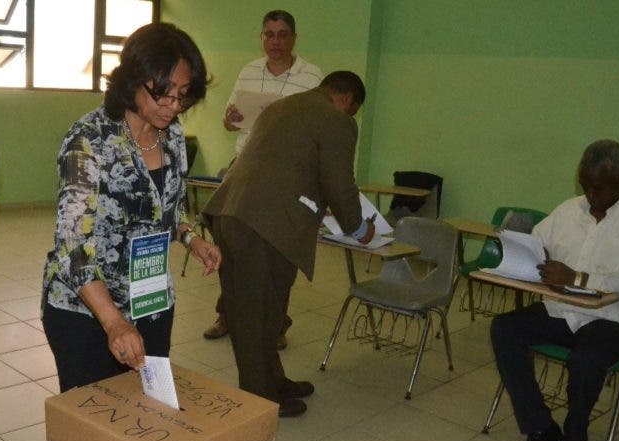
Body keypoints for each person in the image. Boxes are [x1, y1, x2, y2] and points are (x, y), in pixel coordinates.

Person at [41, 23, 221, 393]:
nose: (174, 106)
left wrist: (190, 239)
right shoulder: (88, 140)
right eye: (164, 95)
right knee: (94, 424)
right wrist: (114, 323)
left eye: (183, 96)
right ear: (132, 82)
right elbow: (72, 249)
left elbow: (168, 208)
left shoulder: (171, 136)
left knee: (149, 412)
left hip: (151, 299)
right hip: (88, 312)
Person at [202, 71, 374, 417]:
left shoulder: (281, 108)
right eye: (353, 111)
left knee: (267, 307)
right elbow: (340, 182)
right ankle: (259, 397)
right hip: (264, 224)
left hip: (233, 212)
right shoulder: (337, 119)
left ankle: (274, 380)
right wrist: (358, 229)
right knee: (254, 312)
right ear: (347, 100)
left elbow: (285, 166)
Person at [490, 139, 619, 441]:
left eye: (598, 188)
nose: (590, 195)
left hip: (613, 319)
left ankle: (577, 432)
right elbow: (537, 241)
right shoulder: (568, 210)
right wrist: (532, 255)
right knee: (504, 328)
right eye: (585, 185)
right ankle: (541, 427)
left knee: (586, 358)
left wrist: (577, 277)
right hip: (562, 310)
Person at [204, 9, 324, 349]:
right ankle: (227, 313)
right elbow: (230, 122)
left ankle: (277, 322)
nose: (275, 41)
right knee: (230, 245)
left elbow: (318, 127)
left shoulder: (312, 76)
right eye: (269, 34)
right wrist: (230, 119)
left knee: (279, 252)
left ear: (294, 38)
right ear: (261, 37)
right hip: (244, 167)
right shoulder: (249, 70)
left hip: (287, 175)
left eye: (283, 34)